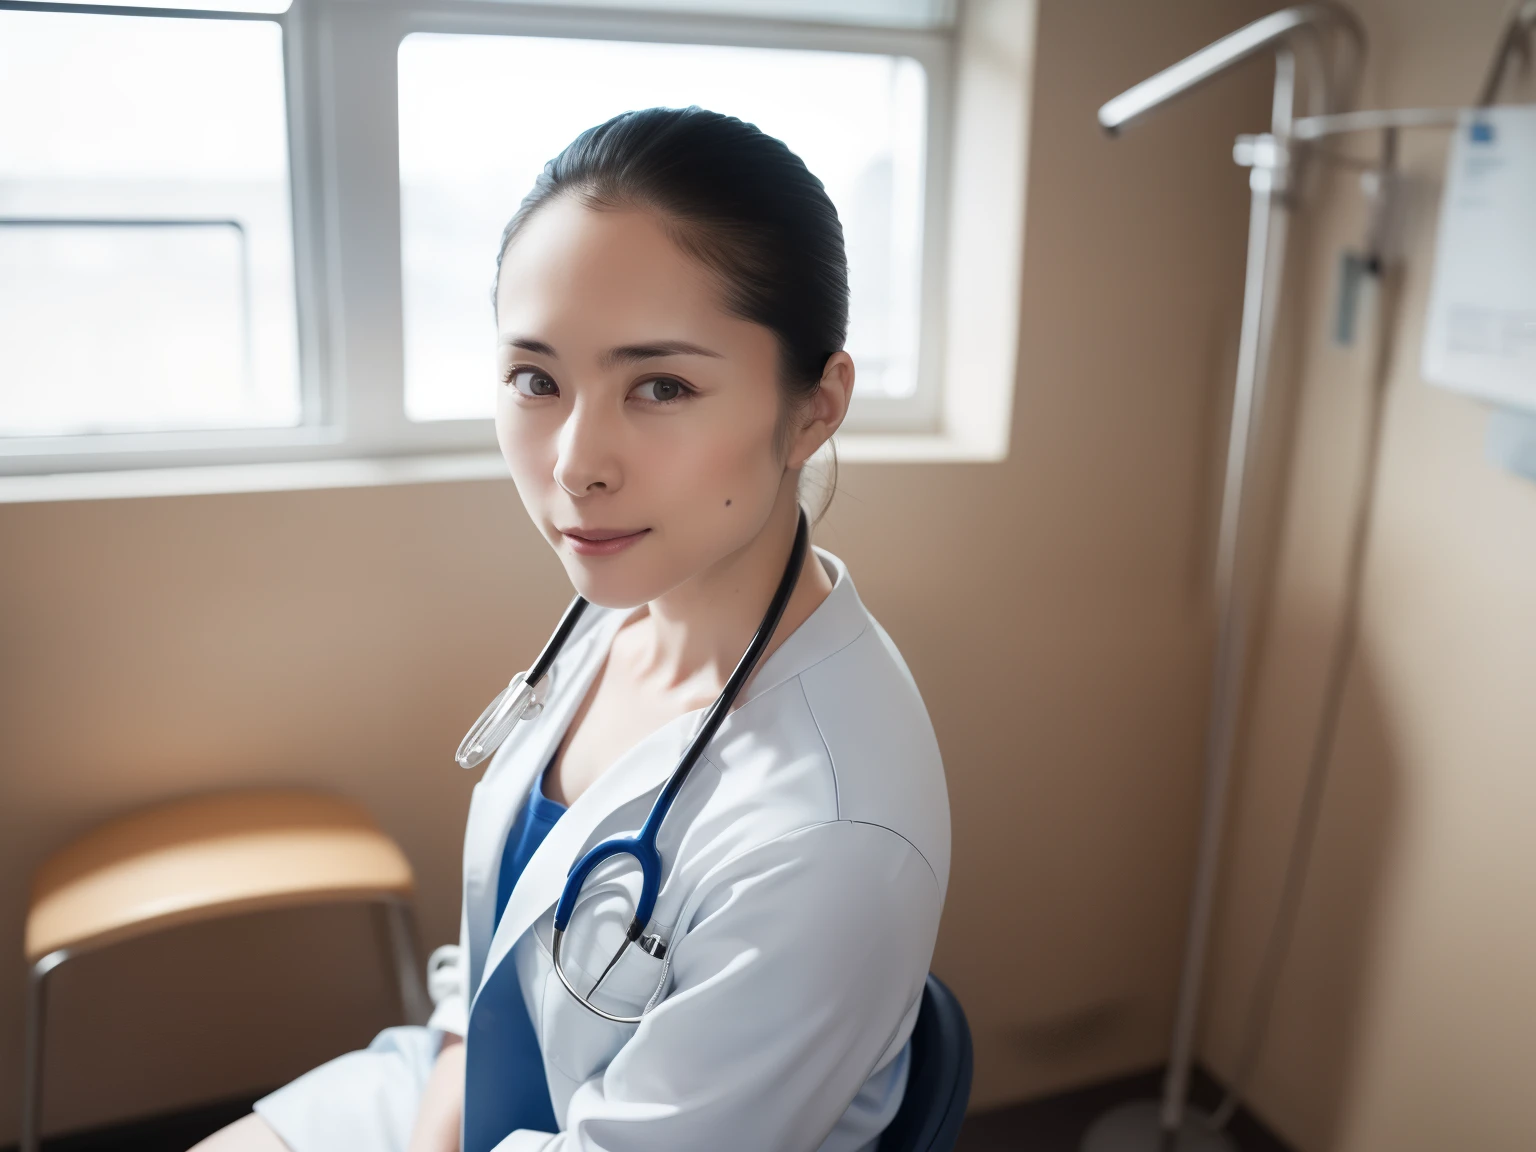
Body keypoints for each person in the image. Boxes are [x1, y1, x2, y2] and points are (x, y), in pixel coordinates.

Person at [195, 105, 949, 1152]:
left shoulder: (827, 833)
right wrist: (445, 1092)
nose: (575, 464)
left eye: (662, 386)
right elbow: (503, 943)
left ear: (816, 407)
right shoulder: (622, 611)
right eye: (537, 380)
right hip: (465, 1088)